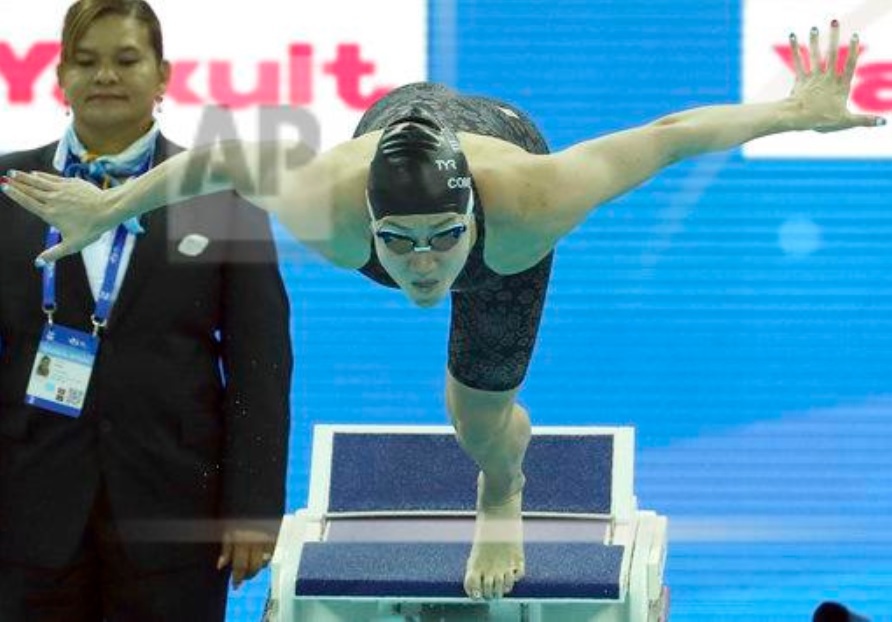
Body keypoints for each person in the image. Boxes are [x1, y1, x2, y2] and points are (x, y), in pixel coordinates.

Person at [3, 20, 882, 602]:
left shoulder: (533, 202)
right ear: (371, 228)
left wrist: (793, 112)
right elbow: (226, 157)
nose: (423, 269)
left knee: (477, 414)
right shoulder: (326, 203)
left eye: (439, 241)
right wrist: (108, 208)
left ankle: (504, 486)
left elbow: (666, 134)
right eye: (402, 243)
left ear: (468, 220)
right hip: (391, 126)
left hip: (498, 144)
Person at [0, 1, 292, 620]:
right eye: (86, 61)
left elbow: (259, 359)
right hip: (26, 508)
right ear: (59, 76)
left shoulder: (216, 189)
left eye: (126, 59)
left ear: (163, 76)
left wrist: (254, 505)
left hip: (176, 512)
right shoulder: (9, 188)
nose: (105, 74)